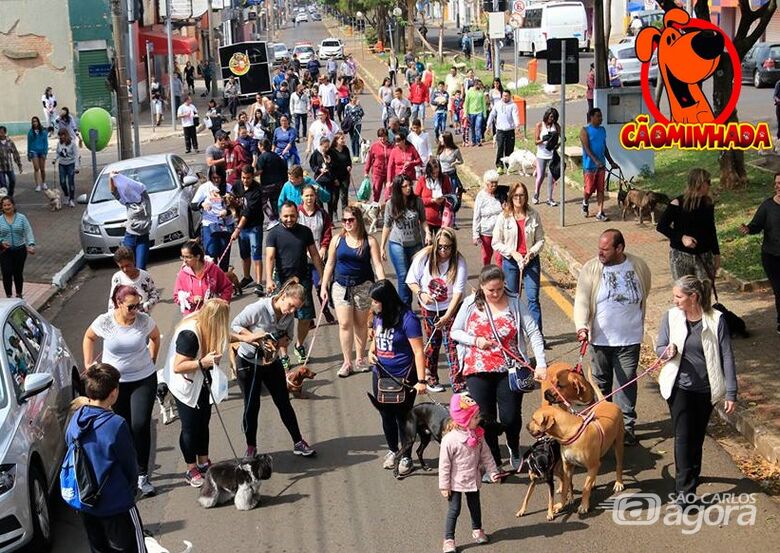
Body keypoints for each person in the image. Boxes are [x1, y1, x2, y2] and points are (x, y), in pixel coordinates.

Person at [451, 264, 547, 469]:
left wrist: (541, 363)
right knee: (485, 419)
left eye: (499, 289)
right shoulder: (469, 304)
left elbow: (533, 332)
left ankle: (513, 446)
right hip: (477, 368)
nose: (495, 294)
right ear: (482, 288)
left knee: (510, 417)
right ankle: (493, 460)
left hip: (509, 369)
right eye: (490, 290)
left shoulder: (515, 302)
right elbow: (455, 332)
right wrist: (475, 341)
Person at [655, 276, 737, 505]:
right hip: (678, 388)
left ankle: (692, 474)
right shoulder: (671, 316)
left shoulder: (716, 320)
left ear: (694, 297)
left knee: (697, 437)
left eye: (679, 297)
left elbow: (727, 356)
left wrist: (731, 392)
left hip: (706, 390)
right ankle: (685, 493)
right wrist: (666, 351)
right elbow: (659, 347)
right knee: (683, 438)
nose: (675, 301)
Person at [573, 229, 651, 445]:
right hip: (599, 341)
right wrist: (581, 326)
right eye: (599, 248)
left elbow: (646, 290)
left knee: (625, 385)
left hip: (629, 339)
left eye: (605, 250)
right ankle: (601, 424)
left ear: (619, 248)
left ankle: (626, 427)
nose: (601, 253)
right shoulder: (591, 268)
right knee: (600, 384)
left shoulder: (638, 266)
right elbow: (581, 299)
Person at [83, 285, 161, 496]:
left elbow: (156, 337)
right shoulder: (106, 321)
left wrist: (151, 359)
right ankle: (127, 470)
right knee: (121, 426)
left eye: (138, 305)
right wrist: (89, 364)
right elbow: (89, 337)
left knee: (140, 424)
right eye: (131, 306)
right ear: (118, 303)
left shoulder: (144, 320)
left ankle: (142, 475)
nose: (136, 309)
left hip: (143, 379)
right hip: (115, 383)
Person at [231, 280, 318, 457]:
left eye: (296, 309)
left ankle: (298, 441)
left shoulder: (288, 317)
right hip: (249, 363)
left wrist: (278, 343)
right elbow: (234, 325)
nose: (292, 311)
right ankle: (251, 448)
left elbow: (288, 339)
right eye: (291, 306)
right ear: (283, 296)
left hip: (272, 363)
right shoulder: (258, 308)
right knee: (251, 406)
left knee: (284, 403)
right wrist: (254, 338)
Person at [65, 363, 147, 551]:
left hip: (87, 504)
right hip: (116, 504)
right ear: (113, 393)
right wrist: (131, 490)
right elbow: (129, 465)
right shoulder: (116, 424)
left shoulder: (75, 421)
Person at [166, 298, 231, 486]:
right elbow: (178, 366)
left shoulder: (206, 325)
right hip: (184, 386)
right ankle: (191, 468)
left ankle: (204, 461)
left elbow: (227, 335)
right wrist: (203, 363)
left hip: (202, 381)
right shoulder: (190, 335)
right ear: (214, 319)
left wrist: (247, 338)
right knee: (190, 427)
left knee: (204, 421)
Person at [366, 279, 427, 475]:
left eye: (375, 301)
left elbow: (418, 351)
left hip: (404, 377)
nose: (372, 305)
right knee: (386, 415)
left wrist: (422, 381)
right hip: (380, 375)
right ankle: (393, 450)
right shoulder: (379, 315)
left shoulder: (408, 319)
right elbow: (376, 337)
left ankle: (406, 455)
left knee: (403, 418)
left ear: (386, 300)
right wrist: (371, 351)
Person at [321, 206, 385, 376]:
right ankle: (347, 362)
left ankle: (360, 358)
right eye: (344, 220)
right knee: (344, 324)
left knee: (360, 323)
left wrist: (383, 284)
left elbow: (377, 265)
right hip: (341, 286)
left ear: (358, 220)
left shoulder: (369, 241)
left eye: (351, 220)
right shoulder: (337, 240)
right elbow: (330, 264)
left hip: (363, 286)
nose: (347, 223)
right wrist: (323, 286)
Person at [407, 228, 467, 392]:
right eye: (440, 246)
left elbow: (458, 293)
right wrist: (421, 293)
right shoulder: (424, 257)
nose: (443, 251)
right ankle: (431, 376)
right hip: (429, 308)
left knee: (452, 343)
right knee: (433, 342)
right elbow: (411, 280)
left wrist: (447, 316)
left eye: (447, 247)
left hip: (450, 308)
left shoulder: (458, 262)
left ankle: (458, 382)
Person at [265, 201, 325, 368]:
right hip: (282, 281)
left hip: (303, 280)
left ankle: (299, 345)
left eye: (292, 216)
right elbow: (269, 257)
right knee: (281, 319)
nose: (289, 219)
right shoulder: (273, 234)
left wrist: (322, 278)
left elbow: (314, 255)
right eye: (286, 216)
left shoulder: (305, 232)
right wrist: (268, 279)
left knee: (305, 317)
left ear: (297, 215)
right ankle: (283, 353)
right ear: (280, 216)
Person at [439, 393, 500, 553]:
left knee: (475, 506)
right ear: (464, 420)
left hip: (473, 479)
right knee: (454, 510)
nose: (478, 419)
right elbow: (444, 465)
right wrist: (444, 486)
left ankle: (477, 530)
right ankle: (449, 539)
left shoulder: (479, 436)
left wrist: (493, 472)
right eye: (475, 417)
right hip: (455, 483)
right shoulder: (450, 440)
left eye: (478, 416)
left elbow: (486, 455)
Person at [492, 182, 546, 334]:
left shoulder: (534, 215)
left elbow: (541, 239)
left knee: (533, 299)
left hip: (531, 261)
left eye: (522, 195)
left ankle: (537, 335)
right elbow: (496, 242)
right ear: (511, 197)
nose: (518, 199)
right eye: (515, 195)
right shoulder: (504, 217)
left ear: (526, 197)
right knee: (512, 299)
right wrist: (512, 252)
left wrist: (532, 253)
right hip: (511, 262)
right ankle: (513, 333)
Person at [657, 168, 720, 282]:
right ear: (699, 184)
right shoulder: (677, 203)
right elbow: (662, 226)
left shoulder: (708, 203)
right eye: (708, 182)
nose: (709, 186)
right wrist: (682, 237)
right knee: (684, 293)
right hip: (681, 256)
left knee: (704, 293)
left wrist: (716, 254)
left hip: (704, 255)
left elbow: (711, 229)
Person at [740, 172, 780, 333]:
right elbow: (756, 225)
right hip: (772, 256)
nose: (778, 186)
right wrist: (748, 229)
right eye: (776, 183)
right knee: (779, 290)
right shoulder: (767, 206)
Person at [381, 174, 429, 305]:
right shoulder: (391, 204)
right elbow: (387, 225)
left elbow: (423, 220)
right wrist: (382, 247)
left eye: (410, 185)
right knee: (403, 276)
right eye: (404, 186)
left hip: (416, 243)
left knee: (418, 275)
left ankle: (423, 301)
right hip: (398, 244)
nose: (408, 188)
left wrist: (428, 232)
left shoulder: (417, 201)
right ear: (398, 188)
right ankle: (405, 308)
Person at [298, 185, 336, 324]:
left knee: (321, 284)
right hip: (301, 257)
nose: (309, 198)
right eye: (306, 195)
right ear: (302, 197)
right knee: (304, 289)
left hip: (318, 256)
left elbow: (327, 232)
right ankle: (309, 318)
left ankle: (325, 310)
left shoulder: (322, 213)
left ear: (316, 197)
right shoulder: (297, 212)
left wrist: (324, 247)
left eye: (311, 195)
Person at [580, 107, 620, 221]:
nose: (601, 118)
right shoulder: (584, 130)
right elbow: (586, 148)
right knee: (589, 189)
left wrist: (611, 162)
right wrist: (595, 161)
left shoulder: (602, 130)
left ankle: (600, 212)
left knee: (600, 189)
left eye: (601, 116)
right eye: (598, 116)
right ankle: (585, 202)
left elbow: (604, 148)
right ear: (591, 117)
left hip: (601, 165)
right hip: (589, 166)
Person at [173, 240, 233, 315]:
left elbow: (227, 287)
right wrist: (192, 298)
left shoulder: (213, 269)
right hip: (192, 317)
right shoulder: (183, 273)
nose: (184, 261)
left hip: (212, 315)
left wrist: (221, 304)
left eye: (188, 257)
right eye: (183, 257)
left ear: (198, 257)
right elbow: (176, 296)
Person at [230, 166, 265, 292]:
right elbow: (231, 199)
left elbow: (247, 212)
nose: (245, 180)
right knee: (244, 254)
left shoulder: (256, 190)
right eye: (243, 178)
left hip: (253, 226)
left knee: (256, 254)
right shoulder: (237, 185)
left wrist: (238, 229)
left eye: (248, 178)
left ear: (252, 177)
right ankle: (246, 277)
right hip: (241, 227)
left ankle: (259, 282)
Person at [192, 167, 234, 271]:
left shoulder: (228, 187)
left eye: (218, 177)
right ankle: (212, 278)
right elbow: (193, 205)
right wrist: (202, 204)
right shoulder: (204, 187)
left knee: (224, 255)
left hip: (225, 225)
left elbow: (236, 207)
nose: (216, 180)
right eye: (214, 177)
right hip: (209, 224)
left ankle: (224, 278)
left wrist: (227, 212)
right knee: (211, 253)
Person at [109, 171, 152, 270]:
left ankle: (140, 285)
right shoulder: (127, 202)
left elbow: (139, 187)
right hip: (130, 237)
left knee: (140, 267)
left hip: (143, 237)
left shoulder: (145, 199)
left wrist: (123, 179)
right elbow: (113, 191)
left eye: (132, 190)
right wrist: (112, 178)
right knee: (126, 266)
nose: (130, 193)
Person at [0, 196, 35, 298]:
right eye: (4, 205)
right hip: (4, 251)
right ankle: (8, 296)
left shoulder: (21, 218)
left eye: (9, 204)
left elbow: (28, 231)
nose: (7, 207)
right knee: (6, 273)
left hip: (20, 250)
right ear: (2, 207)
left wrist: (31, 244)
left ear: (13, 205)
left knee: (18, 273)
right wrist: (1, 242)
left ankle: (19, 294)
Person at [107, 247, 160, 313]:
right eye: (121, 267)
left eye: (128, 265)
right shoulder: (117, 278)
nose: (125, 269)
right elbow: (112, 301)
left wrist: (146, 306)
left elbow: (155, 295)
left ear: (133, 261)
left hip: (143, 316)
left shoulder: (145, 276)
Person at [472, 170, 503, 266]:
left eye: (496, 183)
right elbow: (476, 216)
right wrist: (475, 235)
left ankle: (500, 278)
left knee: (500, 258)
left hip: (499, 232)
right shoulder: (481, 196)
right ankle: (487, 276)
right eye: (492, 183)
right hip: (486, 232)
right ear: (486, 183)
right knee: (486, 256)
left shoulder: (501, 194)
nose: (494, 185)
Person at [415, 158, 452, 237]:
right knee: (427, 246)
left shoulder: (445, 179)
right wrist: (432, 200)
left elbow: (450, 196)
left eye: (437, 172)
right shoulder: (422, 180)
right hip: (426, 220)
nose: (435, 175)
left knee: (441, 245)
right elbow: (416, 200)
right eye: (433, 173)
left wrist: (444, 199)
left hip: (441, 220)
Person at [486, 90, 519, 175]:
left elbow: (515, 116)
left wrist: (517, 126)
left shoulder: (513, 105)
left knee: (509, 149)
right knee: (500, 147)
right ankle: (499, 166)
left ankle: (509, 166)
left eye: (506, 96)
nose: (505, 97)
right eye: (503, 96)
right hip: (500, 130)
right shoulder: (498, 105)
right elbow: (492, 114)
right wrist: (488, 126)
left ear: (510, 96)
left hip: (510, 130)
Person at [533, 108, 561, 206]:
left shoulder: (556, 126)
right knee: (540, 176)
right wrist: (543, 139)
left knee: (551, 177)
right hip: (541, 155)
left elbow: (563, 138)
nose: (552, 119)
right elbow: (536, 142)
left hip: (552, 155)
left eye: (554, 118)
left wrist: (557, 144)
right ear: (546, 116)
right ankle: (536, 194)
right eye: (550, 117)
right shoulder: (539, 125)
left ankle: (550, 198)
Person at [328, 132, 353, 220]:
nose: (343, 140)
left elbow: (349, 160)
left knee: (344, 196)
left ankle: (344, 213)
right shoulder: (331, 151)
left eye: (344, 138)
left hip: (345, 175)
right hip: (335, 177)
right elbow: (329, 166)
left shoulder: (345, 149)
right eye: (341, 139)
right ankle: (334, 211)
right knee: (335, 196)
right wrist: (334, 178)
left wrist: (349, 166)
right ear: (336, 140)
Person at [365, 129, 393, 202]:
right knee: (376, 190)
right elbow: (369, 159)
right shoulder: (374, 146)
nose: (382, 138)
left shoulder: (392, 146)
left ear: (387, 136)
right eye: (380, 136)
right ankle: (375, 207)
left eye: (384, 136)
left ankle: (387, 208)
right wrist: (366, 171)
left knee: (388, 191)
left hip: (389, 172)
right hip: (377, 172)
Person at [54, 128, 80, 207]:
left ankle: (71, 199)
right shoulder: (59, 143)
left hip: (70, 164)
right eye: (60, 136)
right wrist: (55, 159)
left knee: (70, 181)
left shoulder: (72, 144)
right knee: (62, 182)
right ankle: (66, 195)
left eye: (63, 135)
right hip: (62, 164)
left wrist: (76, 166)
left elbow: (76, 155)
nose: (61, 137)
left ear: (66, 135)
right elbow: (58, 153)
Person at [27, 117, 49, 192]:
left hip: (42, 151)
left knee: (42, 169)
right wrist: (28, 153)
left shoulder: (43, 131)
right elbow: (29, 143)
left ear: (38, 122)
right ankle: (38, 185)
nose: (34, 123)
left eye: (36, 121)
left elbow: (45, 143)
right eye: (33, 121)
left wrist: (45, 152)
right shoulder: (30, 132)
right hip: (34, 151)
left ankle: (44, 182)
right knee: (36, 168)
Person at [0, 126, 23, 197]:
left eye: (2, 132)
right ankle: (4, 198)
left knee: (12, 181)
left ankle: (10, 195)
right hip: (0, 167)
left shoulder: (10, 142)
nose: (0, 134)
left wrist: (19, 165)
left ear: (5, 133)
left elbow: (15, 154)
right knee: (3, 184)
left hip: (9, 166)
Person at [464, 79, 486, 147]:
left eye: (480, 85)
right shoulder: (469, 92)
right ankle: (473, 141)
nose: (479, 86)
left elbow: (483, 103)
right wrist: (466, 113)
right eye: (478, 85)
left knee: (478, 126)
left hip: (479, 112)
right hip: (471, 112)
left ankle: (478, 140)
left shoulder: (481, 92)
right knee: (472, 127)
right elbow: (466, 103)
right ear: (475, 84)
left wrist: (484, 113)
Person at [344, 95, 365, 160]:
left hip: (358, 124)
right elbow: (345, 115)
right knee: (352, 139)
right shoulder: (347, 106)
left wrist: (359, 106)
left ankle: (357, 155)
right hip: (351, 125)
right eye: (354, 98)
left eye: (356, 98)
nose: (356, 99)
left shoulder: (358, 106)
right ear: (351, 99)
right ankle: (354, 155)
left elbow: (362, 114)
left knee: (356, 138)